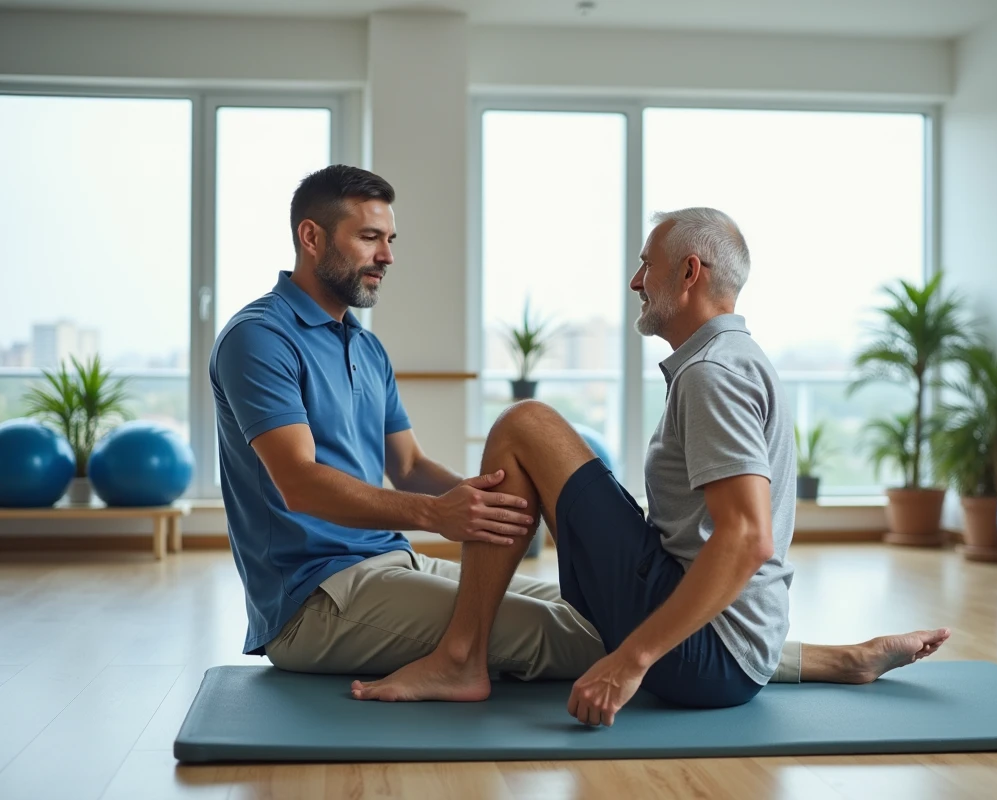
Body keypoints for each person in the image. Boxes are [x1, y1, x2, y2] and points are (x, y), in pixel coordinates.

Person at [212, 165, 950, 729]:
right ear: (313, 238)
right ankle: (466, 660)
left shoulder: (363, 351)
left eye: (390, 239)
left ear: (688, 273)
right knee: (564, 630)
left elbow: (408, 467)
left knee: (579, 613)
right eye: (371, 238)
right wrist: (448, 515)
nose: (387, 256)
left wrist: (493, 498)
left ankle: (834, 659)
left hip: (386, 565)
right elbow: (299, 485)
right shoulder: (259, 338)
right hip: (317, 599)